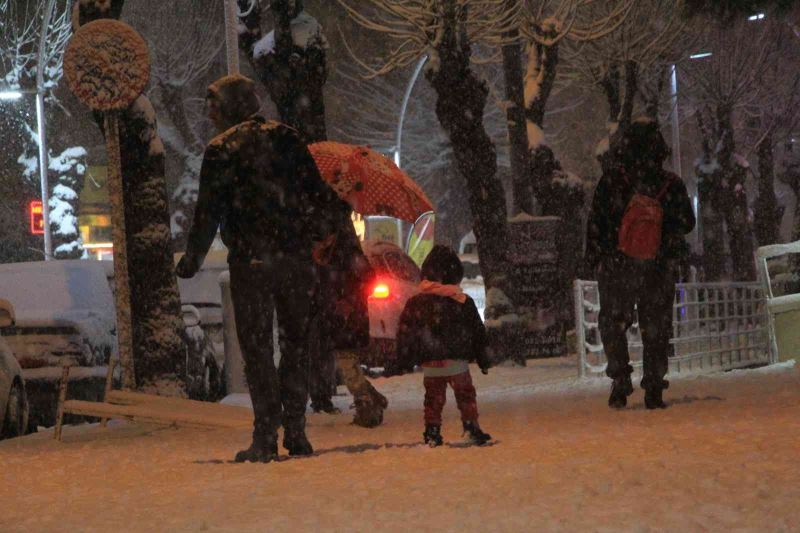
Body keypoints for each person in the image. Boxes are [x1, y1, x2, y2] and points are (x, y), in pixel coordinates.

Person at [176, 74, 339, 462]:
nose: (211, 114)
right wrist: (321, 235)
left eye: (215, 105)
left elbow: (208, 213)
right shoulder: (288, 138)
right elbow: (316, 194)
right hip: (296, 261)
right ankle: (296, 432)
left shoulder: (221, 150)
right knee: (297, 343)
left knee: (258, 350)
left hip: (251, 263)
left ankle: (266, 435)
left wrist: (192, 259)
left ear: (232, 106)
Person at [584, 117, 696, 410]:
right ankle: (654, 387)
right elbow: (687, 223)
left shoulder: (612, 181)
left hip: (617, 266)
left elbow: (596, 223)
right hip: (658, 268)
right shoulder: (670, 183)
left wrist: (598, 256)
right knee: (656, 327)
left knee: (613, 323)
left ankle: (620, 380)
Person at [392, 245, 492, 446]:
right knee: (465, 395)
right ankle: (471, 425)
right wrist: (483, 359)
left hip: (430, 364)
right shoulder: (463, 301)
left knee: (433, 399)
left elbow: (405, 334)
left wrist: (403, 360)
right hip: (457, 363)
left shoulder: (416, 302)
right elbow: (477, 333)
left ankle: (432, 431)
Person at [308, 205, 388, 427]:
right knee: (347, 366)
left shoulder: (346, 256)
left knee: (347, 366)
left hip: (349, 320)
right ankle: (371, 397)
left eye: (319, 241)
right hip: (338, 320)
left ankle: (367, 405)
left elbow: (366, 280)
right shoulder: (329, 258)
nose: (316, 247)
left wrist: (348, 302)